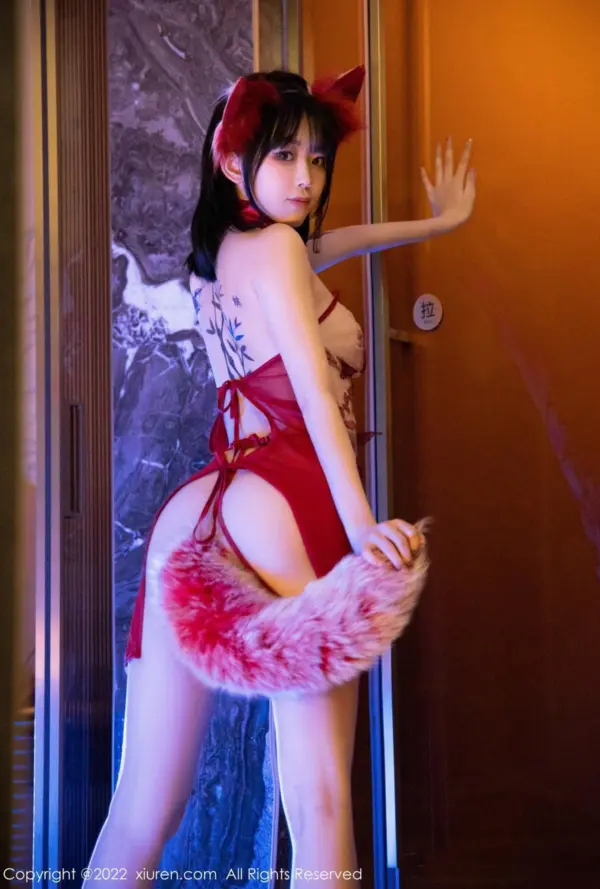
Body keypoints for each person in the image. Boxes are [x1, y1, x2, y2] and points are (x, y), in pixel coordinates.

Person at [83, 67, 475, 888]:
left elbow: (337, 243)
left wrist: (436, 223)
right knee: (320, 798)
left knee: (143, 803)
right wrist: (362, 525)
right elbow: (313, 394)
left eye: (319, 159)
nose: (307, 177)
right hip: (286, 491)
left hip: (199, 504)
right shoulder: (283, 251)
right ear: (233, 162)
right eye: (286, 155)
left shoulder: (218, 259)